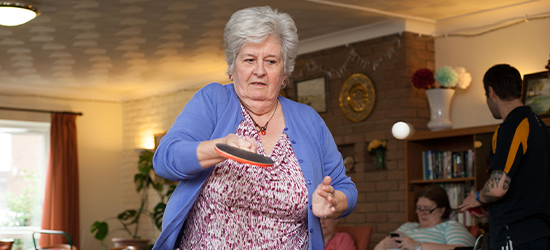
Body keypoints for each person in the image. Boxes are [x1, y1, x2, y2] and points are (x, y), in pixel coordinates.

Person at [152, 6, 357, 250]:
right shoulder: (213, 101)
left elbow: (345, 188)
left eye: (271, 61)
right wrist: (219, 148)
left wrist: (334, 201)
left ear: (284, 73)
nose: (259, 70)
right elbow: (165, 159)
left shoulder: (309, 120)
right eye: (249, 59)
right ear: (232, 67)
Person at [460, 64, 550, 250]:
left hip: (515, 235)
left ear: (491, 92)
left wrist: (478, 197)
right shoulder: (538, 124)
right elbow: (527, 186)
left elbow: (497, 188)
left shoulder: (511, 127)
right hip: (539, 233)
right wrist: (491, 207)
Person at [374, 185, 475, 250]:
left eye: (427, 209)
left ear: (442, 210)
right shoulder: (407, 226)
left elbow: (460, 249)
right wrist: (383, 245)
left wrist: (417, 246)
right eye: (419, 208)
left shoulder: (450, 227)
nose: (422, 213)